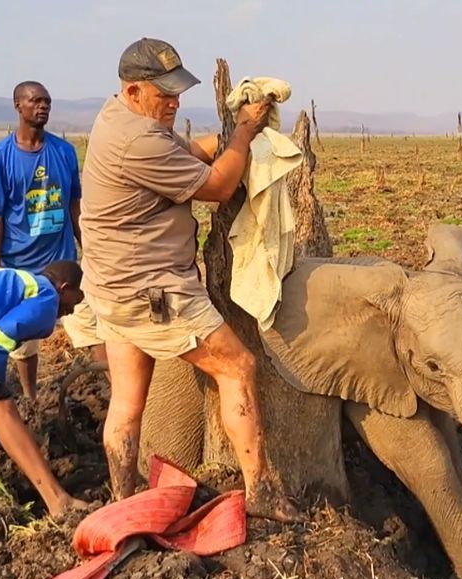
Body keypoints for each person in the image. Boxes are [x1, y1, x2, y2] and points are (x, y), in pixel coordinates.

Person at [78, 37, 303, 522]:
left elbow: (189, 152)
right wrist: (242, 138)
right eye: (165, 93)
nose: (175, 101)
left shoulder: (120, 117)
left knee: (126, 401)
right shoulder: (137, 140)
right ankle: (260, 490)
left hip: (111, 286)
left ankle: (123, 504)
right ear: (134, 90)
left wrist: (228, 140)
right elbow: (219, 187)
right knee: (238, 366)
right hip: (151, 289)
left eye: (178, 91)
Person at [0, 81, 100, 401]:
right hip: (20, 262)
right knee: (23, 343)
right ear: (17, 106)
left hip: (61, 261)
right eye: (35, 101)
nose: (43, 106)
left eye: (47, 101)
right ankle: (31, 398)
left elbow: (75, 205)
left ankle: (109, 391)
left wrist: (87, 246)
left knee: (89, 323)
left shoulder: (63, 152)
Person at [0, 261, 89, 516]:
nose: (67, 313)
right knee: (1, 407)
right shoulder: (47, 299)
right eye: (71, 304)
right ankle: (57, 500)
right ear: (64, 289)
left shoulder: (21, 281)